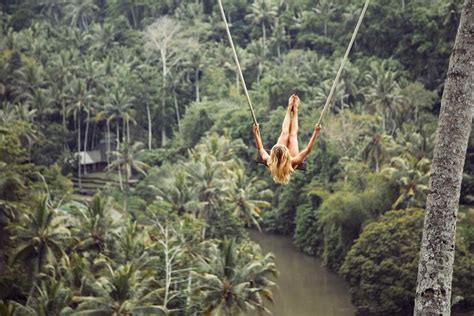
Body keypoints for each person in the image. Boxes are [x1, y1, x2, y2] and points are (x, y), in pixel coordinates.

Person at [252, 94, 322, 184]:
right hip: (289, 159)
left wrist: (256, 133)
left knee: (285, 133)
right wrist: (316, 132)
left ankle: (289, 109)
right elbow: (308, 150)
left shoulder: (270, 161)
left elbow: (260, 148)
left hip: (282, 157)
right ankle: (295, 110)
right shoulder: (292, 162)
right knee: (292, 135)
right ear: (286, 154)